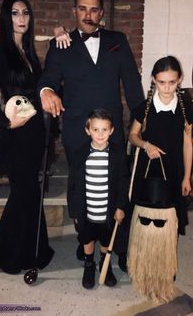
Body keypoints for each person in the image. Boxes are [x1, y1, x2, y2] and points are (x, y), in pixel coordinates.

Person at [38, 0, 144, 270]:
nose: (88, 14)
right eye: (82, 8)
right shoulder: (61, 44)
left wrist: (143, 119)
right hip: (77, 133)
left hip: (112, 134)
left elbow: (133, 86)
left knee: (117, 190)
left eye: (94, 9)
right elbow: (47, 78)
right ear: (74, 11)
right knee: (83, 192)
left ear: (101, 13)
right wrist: (47, 90)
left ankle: (117, 249)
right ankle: (86, 244)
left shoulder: (117, 41)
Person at [0, 0, 54, 274]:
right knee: (25, 193)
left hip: (34, 134)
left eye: (25, 13)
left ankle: (26, 250)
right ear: (6, 18)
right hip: (14, 137)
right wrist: (8, 124)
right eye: (15, 13)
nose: (21, 18)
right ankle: (15, 254)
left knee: (28, 193)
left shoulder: (30, 53)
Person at [128, 55, 193, 236]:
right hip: (147, 168)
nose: (166, 88)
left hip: (174, 169)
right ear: (154, 80)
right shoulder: (145, 108)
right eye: (161, 82)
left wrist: (187, 177)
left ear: (179, 79)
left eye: (172, 82)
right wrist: (145, 145)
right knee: (144, 217)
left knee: (169, 217)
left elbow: (188, 145)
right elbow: (132, 136)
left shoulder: (185, 109)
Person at [67, 109, 130, 289]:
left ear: (112, 131)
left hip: (107, 210)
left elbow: (122, 182)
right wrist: (74, 211)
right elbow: (72, 185)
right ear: (88, 130)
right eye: (96, 129)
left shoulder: (117, 154)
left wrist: (120, 207)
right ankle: (89, 264)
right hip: (86, 209)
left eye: (104, 130)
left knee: (105, 238)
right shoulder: (80, 154)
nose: (100, 134)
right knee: (87, 237)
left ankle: (105, 261)